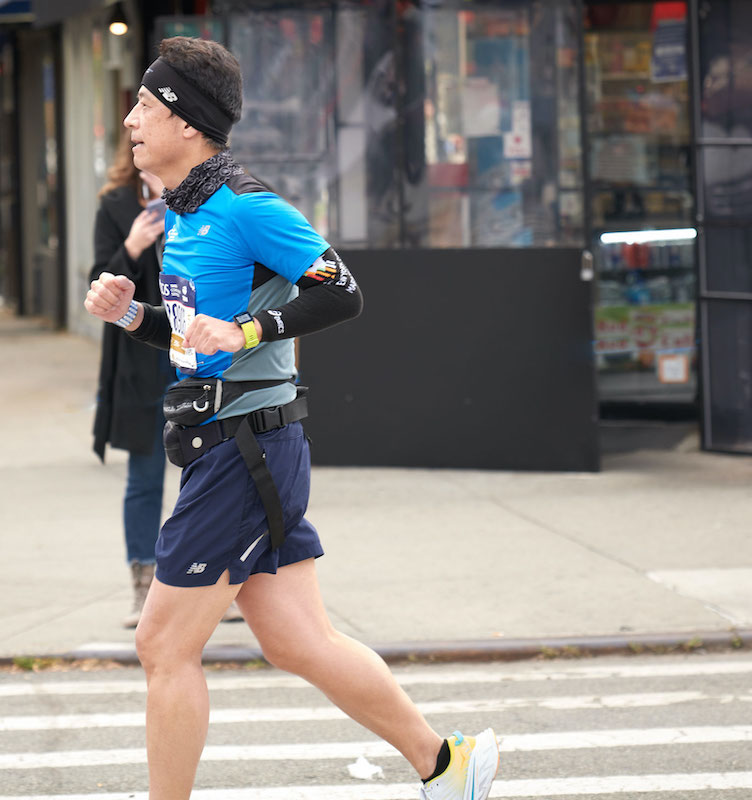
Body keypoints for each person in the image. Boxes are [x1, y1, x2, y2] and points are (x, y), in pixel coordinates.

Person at [83, 36, 498, 800]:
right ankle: (447, 764)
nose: (130, 120)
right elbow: (195, 339)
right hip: (226, 447)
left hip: (247, 450)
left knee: (162, 643)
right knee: (301, 641)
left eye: (143, 104)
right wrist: (132, 315)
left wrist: (247, 331)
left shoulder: (246, 206)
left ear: (185, 121)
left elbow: (343, 290)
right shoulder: (185, 213)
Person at [90, 137, 178, 628]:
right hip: (143, 361)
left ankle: (214, 585)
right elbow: (97, 282)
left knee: (210, 477)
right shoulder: (116, 205)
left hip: (198, 354)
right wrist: (132, 246)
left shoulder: (203, 197)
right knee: (145, 476)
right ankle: (144, 587)